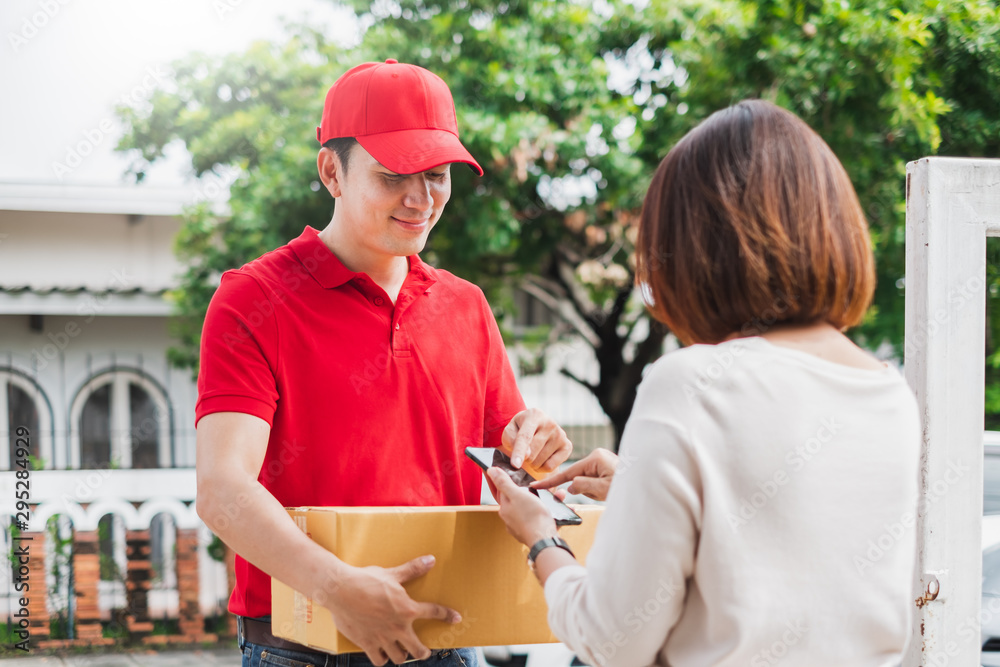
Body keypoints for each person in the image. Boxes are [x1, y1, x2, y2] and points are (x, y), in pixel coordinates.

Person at [488, 99, 920, 666]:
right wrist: (645, 494)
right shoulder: (890, 394)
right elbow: (787, 553)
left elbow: (612, 640)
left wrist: (541, 537)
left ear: (695, 250)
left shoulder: (690, 385)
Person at [194, 59, 572, 667]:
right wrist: (338, 588)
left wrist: (538, 451)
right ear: (331, 171)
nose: (421, 199)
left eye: (438, 174)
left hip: (447, 640)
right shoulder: (254, 298)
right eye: (395, 174)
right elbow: (222, 489)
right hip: (305, 644)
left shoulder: (465, 305)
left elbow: (513, 472)